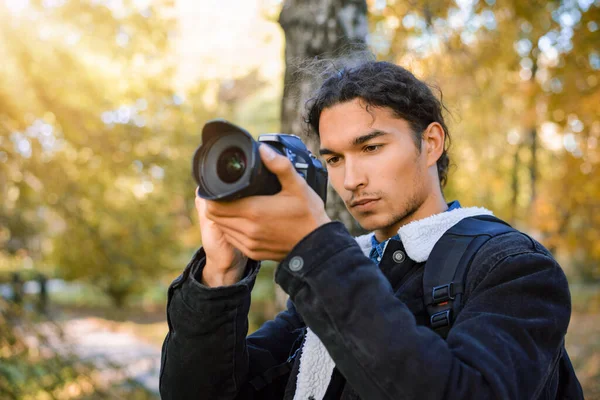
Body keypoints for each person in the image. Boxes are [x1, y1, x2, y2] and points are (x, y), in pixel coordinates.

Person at [159, 61, 583, 399]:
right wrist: (220, 274)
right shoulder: (346, 270)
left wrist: (315, 249)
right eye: (335, 159)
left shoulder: (514, 267)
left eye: (371, 148)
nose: (350, 180)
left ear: (431, 143)